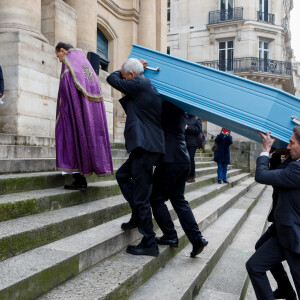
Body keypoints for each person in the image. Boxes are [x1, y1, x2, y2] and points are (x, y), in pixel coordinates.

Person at [106, 58, 165, 257]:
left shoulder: (140, 83)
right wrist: (133, 68)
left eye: (126, 77)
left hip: (145, 147)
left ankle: (149, 242)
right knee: (123, 175)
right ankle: (137, 217)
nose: (124, 82)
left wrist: (124, 69)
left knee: (141, 196)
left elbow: (111, 78)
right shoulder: (145, 85)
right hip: (147, 146)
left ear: (131, 76)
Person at [246, 127, 300, 300]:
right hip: (283, 228)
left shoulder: (297, 170)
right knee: (255, 264)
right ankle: (286, 290)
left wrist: (265, 150)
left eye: (291, 143)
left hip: (294, 236)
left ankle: (288, 291)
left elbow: (262, 175)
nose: (289, 146)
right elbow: (280, 172)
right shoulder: (295, 163)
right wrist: (279, 151)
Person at [150, 101, 208, 257]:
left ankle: (170, 235)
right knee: (179, 200)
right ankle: (197, 239)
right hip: (182, 159)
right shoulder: (182, 109)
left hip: (171, 161)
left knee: (156, 199)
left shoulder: (168, 107)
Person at [55, 42, 113, 191]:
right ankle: (81, 177)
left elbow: (66, 92)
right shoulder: (83, 63)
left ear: (62, 51)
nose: (59, 59)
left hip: (74, 111)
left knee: (72, 138)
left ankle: (79, 180)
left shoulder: (69, 64)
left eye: (58, 56)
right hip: (90, 112)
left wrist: (64, 112)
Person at [185, 114, 202, 182]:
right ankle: (186, 175)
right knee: (185, 159)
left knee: (191, 159)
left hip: (193, 143)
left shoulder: (197, 118)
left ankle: (192, 176)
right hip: (184, 141)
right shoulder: (185, 117)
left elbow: (198, 129)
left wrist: (188, 128)